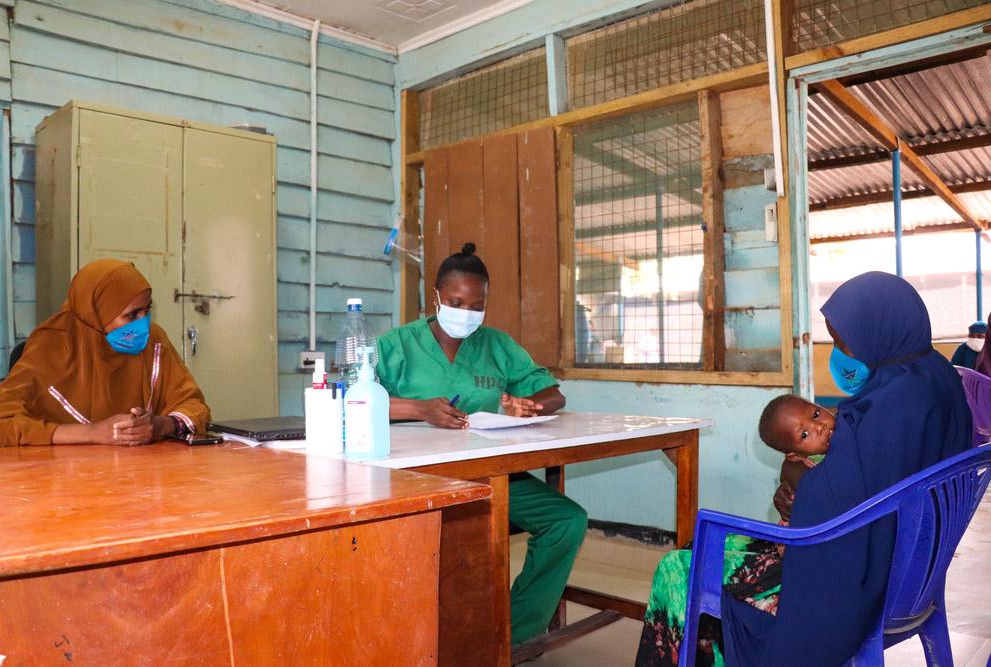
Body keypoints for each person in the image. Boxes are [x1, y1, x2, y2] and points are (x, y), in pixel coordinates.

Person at [635, 272, 971, 667]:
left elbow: (831, 507)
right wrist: (804, 483)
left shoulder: (888, 409)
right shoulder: (936, 377)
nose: (846, 351)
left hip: (858, 585)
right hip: (906, 568)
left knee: (679, 567)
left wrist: (800, 486)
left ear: (878, 328)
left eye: (847, 341)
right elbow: (861, 485)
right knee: (701, 551)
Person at [376, 243, 587, 645]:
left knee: (566, 521)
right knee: (458, 539)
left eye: (477, 305)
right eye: (457, 302)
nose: (467, 313)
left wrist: (531, 405)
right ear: (435, 297)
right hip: (415, 478)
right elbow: (351, 399)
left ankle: (513, 635)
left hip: (492, 473)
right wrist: (419, 409)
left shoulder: (497, 345)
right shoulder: (395, 346)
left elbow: (553, 395)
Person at [0, 259, 210, 446]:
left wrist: (160, 426)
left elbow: (194, 406)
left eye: (147, 310)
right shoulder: (51, 347)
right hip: (61, 480)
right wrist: (92, 433)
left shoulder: (154, 341)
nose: (143, 323)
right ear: (94, 315)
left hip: (141, 478)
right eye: (132, 315)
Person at [757, 394, 833, 467]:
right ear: (796, 456)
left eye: (815, 415)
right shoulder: (814, 474)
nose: (819, 427)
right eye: (804, 434)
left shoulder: (844, 420)